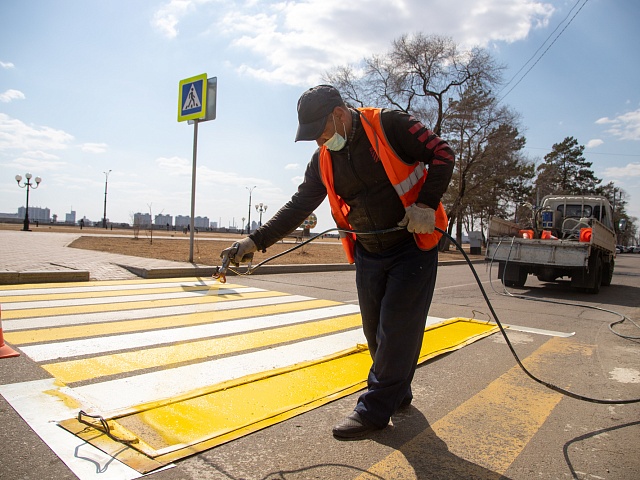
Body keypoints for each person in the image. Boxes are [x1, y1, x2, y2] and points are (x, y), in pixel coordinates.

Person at [220, 85, 455, 438]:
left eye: (321, 133)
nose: (320, 143)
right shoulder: (323, 160)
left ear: (340, 116)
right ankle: (396, 391)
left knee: (395, 329)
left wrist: (425, 204)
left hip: (411, 247)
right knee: (375, 332)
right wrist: (255, 241)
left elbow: (443, 153)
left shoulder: (390, 126)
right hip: (369, 252)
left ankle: (374, 410)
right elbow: (298, 206)